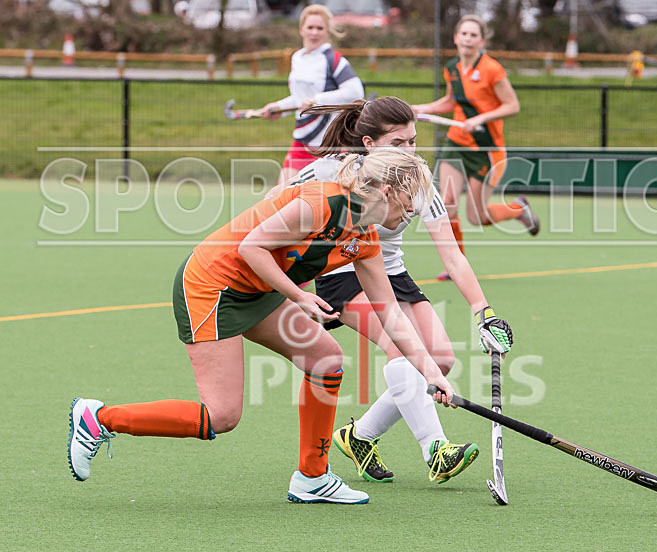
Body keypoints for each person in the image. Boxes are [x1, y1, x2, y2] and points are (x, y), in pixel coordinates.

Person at [67, 149, 456, 505]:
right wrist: (299, 296)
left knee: (326, 360)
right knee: (221, 416)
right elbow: (252, 246)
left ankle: (312, 477)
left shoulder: (365, 239)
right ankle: (98, 419)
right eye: (407, 205)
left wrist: (432, 373)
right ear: (387, 191)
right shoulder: (320, 203)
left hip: (260, 287)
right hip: (212, 286)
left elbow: (390, 314)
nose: (410, 214)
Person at [274, 97, 514, 484]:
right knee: (401, 348)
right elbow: (274, 205)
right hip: (343, 271)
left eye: (413, 142)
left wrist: (482, 311)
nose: (409, 152)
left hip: (392, 273)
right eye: (398, 143)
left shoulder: (418, 179)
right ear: (368, 143)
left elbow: (452, 256)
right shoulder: (330, 171)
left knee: (441, 360)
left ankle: (360, 436)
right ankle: (436, 449)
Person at [412, 14, 540, 281]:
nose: (468, 39)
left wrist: (479, 119)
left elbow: (512, 106)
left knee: (477, 216)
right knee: (447, 205)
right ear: (456, 38)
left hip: (486, 148)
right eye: (464, 34)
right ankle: (456, 265)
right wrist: (421, 109)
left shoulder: (492, 69)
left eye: (473, 35)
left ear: (482, 41)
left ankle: (518, 208)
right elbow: (450, 102)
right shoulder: (452, 68)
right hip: (456, 144)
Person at [260, 4, 364, 185]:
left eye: (319, 28)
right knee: (280, 195)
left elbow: (355, 92)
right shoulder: (297, 58)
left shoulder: (334, 59)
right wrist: (279, 108)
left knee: (328, 202)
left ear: (327, 31)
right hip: (303, 140)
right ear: (301, 30)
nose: (314, 33)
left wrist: (318, 100)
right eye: (310, 27)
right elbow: (301, 98)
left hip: (330, 143)